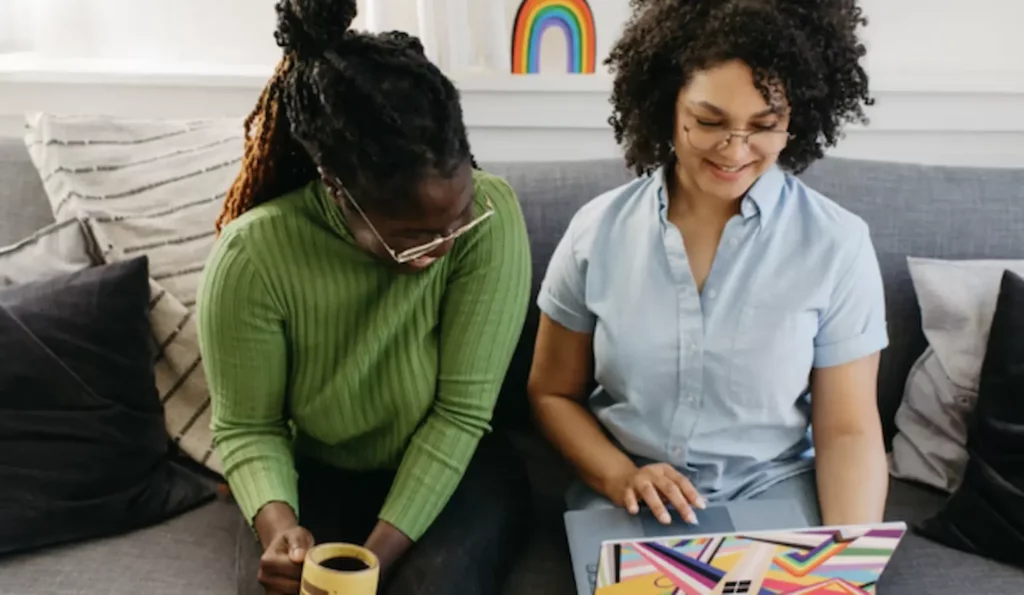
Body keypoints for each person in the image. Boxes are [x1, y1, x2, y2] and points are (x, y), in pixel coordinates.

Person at [196, 1, 532, 594]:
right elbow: (249, 426)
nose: (444, 246)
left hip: (461, 467)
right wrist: (281, 526)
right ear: (337, 189)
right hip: (324, 475)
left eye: (457, 219)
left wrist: (364, 566)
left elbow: (461, 414)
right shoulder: (252, 257)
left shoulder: (491, 215)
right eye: (411, 237)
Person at [528, 0, 888, 531]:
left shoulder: (838, 244)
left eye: (764, 126)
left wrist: (849, 569)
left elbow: (849, 432)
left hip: (774, 492)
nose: (735, 150)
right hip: (629, 495)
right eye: (708, 121)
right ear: (666, 106)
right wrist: (619, 476)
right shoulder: (595, 232)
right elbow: (552, 391)